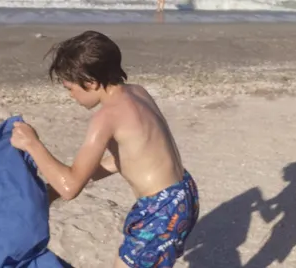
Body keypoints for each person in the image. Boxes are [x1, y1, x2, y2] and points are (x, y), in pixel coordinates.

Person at [10, 31, 199, 268]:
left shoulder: (106, 117)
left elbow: (70, 188)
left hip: (160, 209)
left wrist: (32, 144)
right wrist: (53, 191)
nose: (71, 96)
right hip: (183, 192)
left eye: (70, 88)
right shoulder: (137, 92)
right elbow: (128, 158)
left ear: (90, 82)